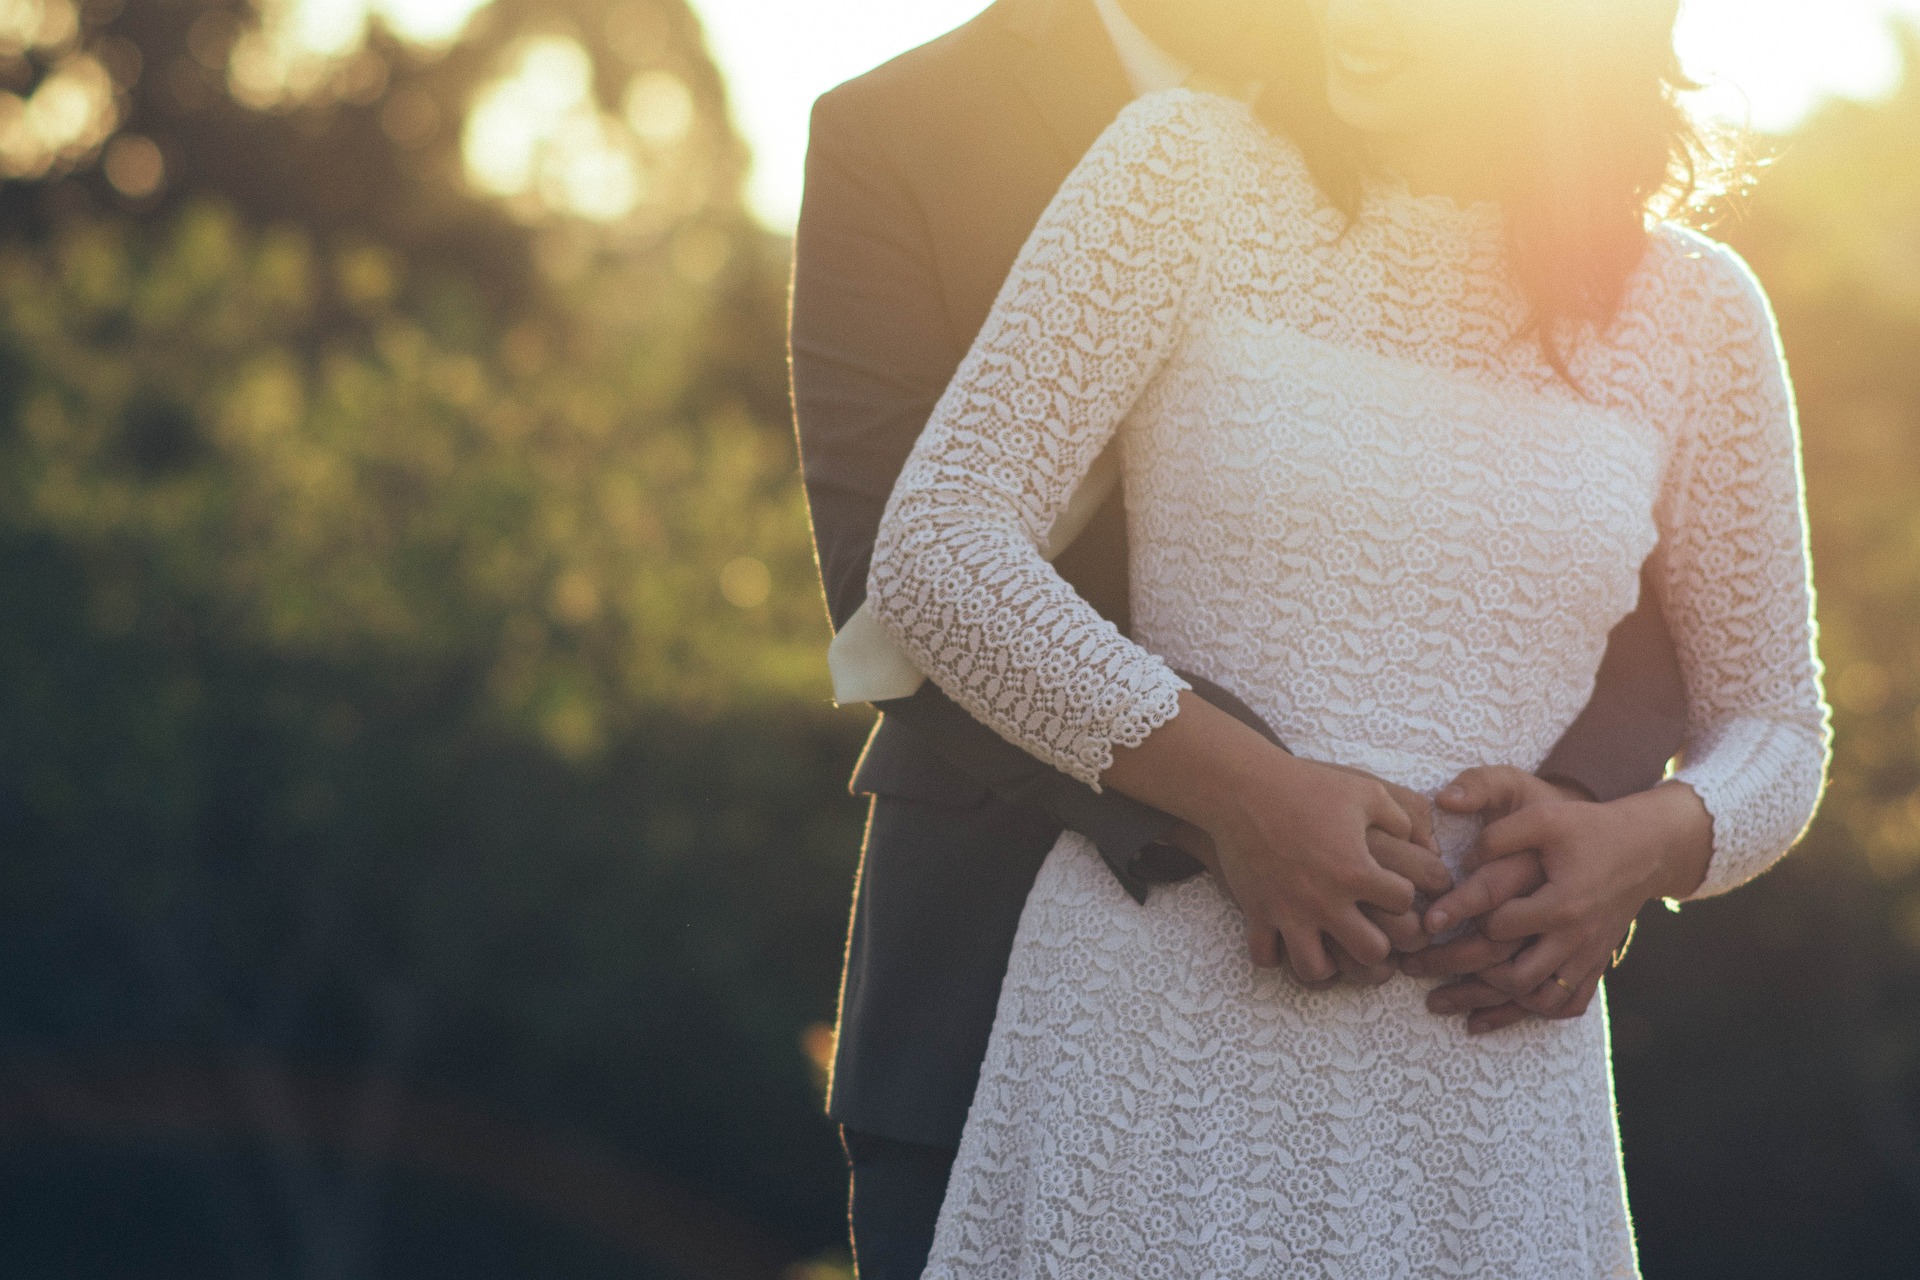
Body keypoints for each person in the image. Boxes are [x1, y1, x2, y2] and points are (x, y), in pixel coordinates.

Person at [861, 0, 1831, 1271]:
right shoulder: (1183, 170)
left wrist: (1640, 844)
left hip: (1485, 1089)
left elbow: (1777, 724)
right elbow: (939, 545)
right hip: (1156, 1043)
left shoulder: (1699, 317)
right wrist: (1243, 792)